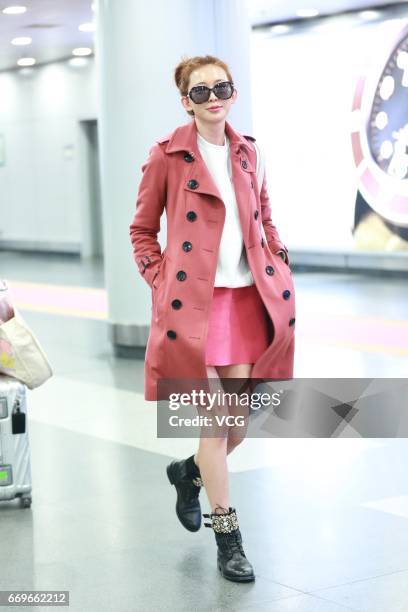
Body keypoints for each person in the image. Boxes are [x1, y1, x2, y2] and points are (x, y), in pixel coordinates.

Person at [129, 55, 295, 583]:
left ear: (233, 92)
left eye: (221, 87)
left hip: (247, 302)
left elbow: (264, 215)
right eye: (200, 91)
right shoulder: (167, 155)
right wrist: (160, 281)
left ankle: (187, 473)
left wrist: (276, 253)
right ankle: (229, 540)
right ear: (186, 101)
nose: (212, 97)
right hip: (193, 307)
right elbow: (141, 230)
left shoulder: (251, 154)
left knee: (235, 428)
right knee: (216, 423)